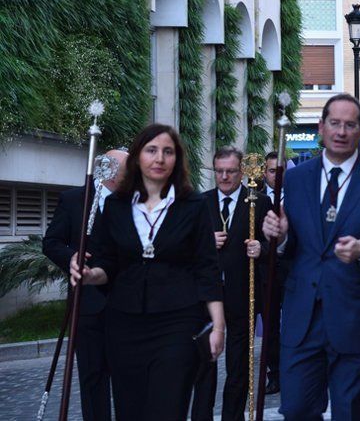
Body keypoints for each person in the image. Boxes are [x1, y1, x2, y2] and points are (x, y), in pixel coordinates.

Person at [261, 94, 360, 420]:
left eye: (350, 125)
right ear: (321, 127)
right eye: (335, 123)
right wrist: (282, 235)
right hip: (304, 321)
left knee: (353, 413)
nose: (341, 131)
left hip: (358, 319)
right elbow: (289, 249)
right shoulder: (296, 179)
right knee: (297, 409)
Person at [70, 124, 225, 420]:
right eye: (151, 150)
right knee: (131, 410)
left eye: (168, 152)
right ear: (138, 157)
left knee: (167, 408)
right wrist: (89, 274)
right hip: (124, 323)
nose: (160, 158)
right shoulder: (115, 205)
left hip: (178, 322)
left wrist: (218, 326)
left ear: (176, 159)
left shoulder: (193, 205)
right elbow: (107, 263)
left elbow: (207, 267)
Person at [42, 149, 128, 421]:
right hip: (87, 305)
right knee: (92, 379)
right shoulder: (73, 199)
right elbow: (51, 243)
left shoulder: (131, 203)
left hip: (125, 305)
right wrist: (71, 258)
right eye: (129, 169)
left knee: (129, 379)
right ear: (112, 172)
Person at [192, 147, 272, 421]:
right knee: (205, 364)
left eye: (231, 171)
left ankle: (232, 417)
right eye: (219, 171)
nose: (224, 177)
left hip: (242, 296)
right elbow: (184, 249)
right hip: (206, 298)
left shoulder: (258, 203)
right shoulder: (200, 203)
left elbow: (275, 246)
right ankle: (202, 415)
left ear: (242, 172)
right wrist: (204, 243)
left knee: (239, 366)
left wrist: (260, 248)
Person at [260, 150, 284, 395]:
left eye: (281, 170)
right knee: (270, 328)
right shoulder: (254, 197)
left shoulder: (298, 195)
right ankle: (274, 375)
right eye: (272, 170)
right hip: (265, 273)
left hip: (290, 271)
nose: (277, 175)